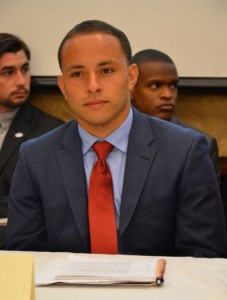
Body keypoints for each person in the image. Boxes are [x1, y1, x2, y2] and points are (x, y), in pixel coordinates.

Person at [6, 20, 227, 257]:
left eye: (106, 71)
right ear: (63, 86)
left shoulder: (185, 151)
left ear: (131, 76)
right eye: (77, 74)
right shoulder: (35, 157)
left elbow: (204, 257)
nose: (93, 86)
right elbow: (24, 259)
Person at [0, 33, 64, 249]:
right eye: (8, 72)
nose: (21, 81)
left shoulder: (50, 132)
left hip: (17, 251)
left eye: (24, 69)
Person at [131, 49, 220, 183]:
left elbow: (204, 202)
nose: (167, 94)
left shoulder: (200, 144)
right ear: (131, 89)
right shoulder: (113, 138)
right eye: (155, 85)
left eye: (173, 85)